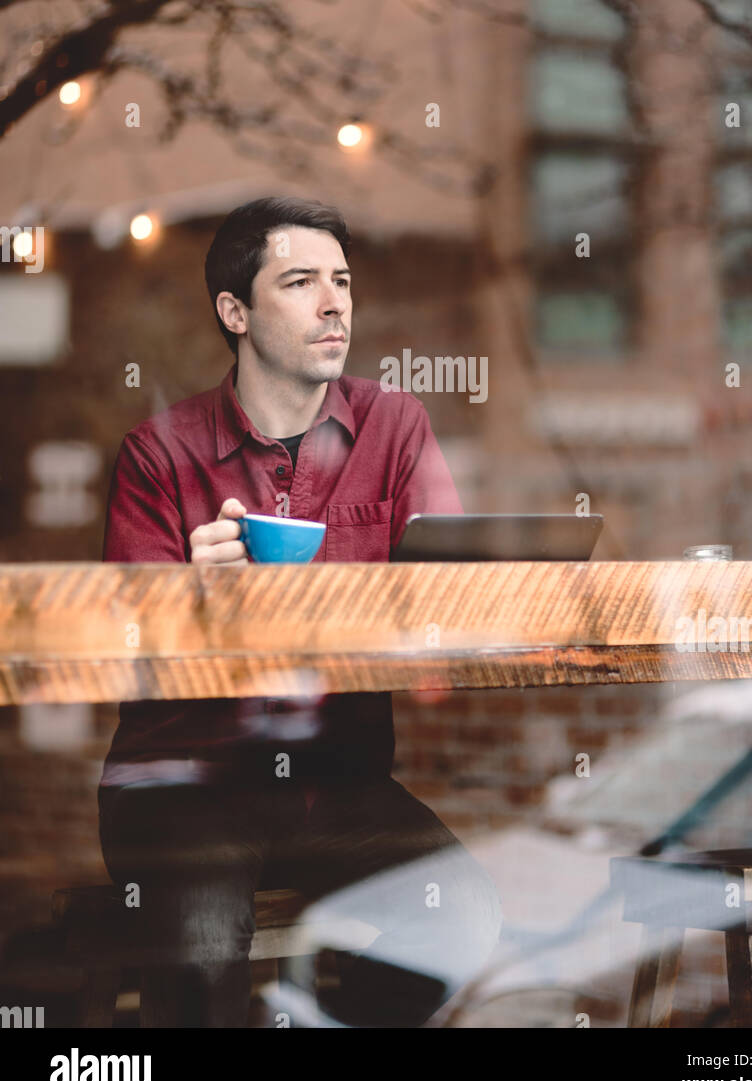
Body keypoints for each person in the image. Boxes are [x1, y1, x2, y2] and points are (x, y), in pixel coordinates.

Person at [97, 196, 502, 1027]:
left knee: (462, 920)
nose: (334, 303)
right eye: (301, 281)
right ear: (234, 311)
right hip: (182, 783)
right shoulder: (158, 453)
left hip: (336, 782)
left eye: (343, 281)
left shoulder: (395, 427)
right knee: (204, 946)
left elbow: (447, 593)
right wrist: (187, 592)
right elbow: (120, 649)